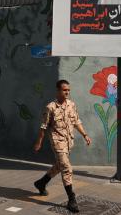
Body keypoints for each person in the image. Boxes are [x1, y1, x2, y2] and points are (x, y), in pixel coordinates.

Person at [33, 80, 91, 213]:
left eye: (68, 90)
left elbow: (77, 122)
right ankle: (72, 199)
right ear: (58, 91)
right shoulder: (51, 107)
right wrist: (39, 142)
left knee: (60, 165)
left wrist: (85, 135)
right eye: (65, 90)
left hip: (69, 141)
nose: (67, 92)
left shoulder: (72, 105)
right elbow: (43, 127)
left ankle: (41, 183)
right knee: (66, 167)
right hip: (57, 141)